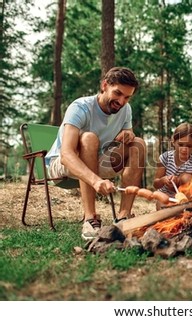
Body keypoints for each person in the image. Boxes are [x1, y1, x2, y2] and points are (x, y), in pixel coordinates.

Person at [45, 67, 146, 240]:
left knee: (138, 144)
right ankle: (90, 219)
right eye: (118, 93)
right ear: (105, 85)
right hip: (61, 166)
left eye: (127, 97)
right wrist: (96, 181)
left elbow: (128, 132)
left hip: (97, 161)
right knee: (89, 138)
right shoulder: (80, 108)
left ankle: (123, 217)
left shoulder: (125, 109)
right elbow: (66, 154)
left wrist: (128, 134)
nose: (121, 101)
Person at [153, 122, 192, 209]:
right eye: (181, 144)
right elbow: (155, 184)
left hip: (182, 198)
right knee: (162, 206)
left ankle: (185, 207)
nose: (184, 149)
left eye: (189, 146)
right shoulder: (165, 157)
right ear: (173, 142)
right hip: (165, 196)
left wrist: (177, 181)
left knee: (187, 178)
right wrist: (163, 180)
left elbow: (191, 189)